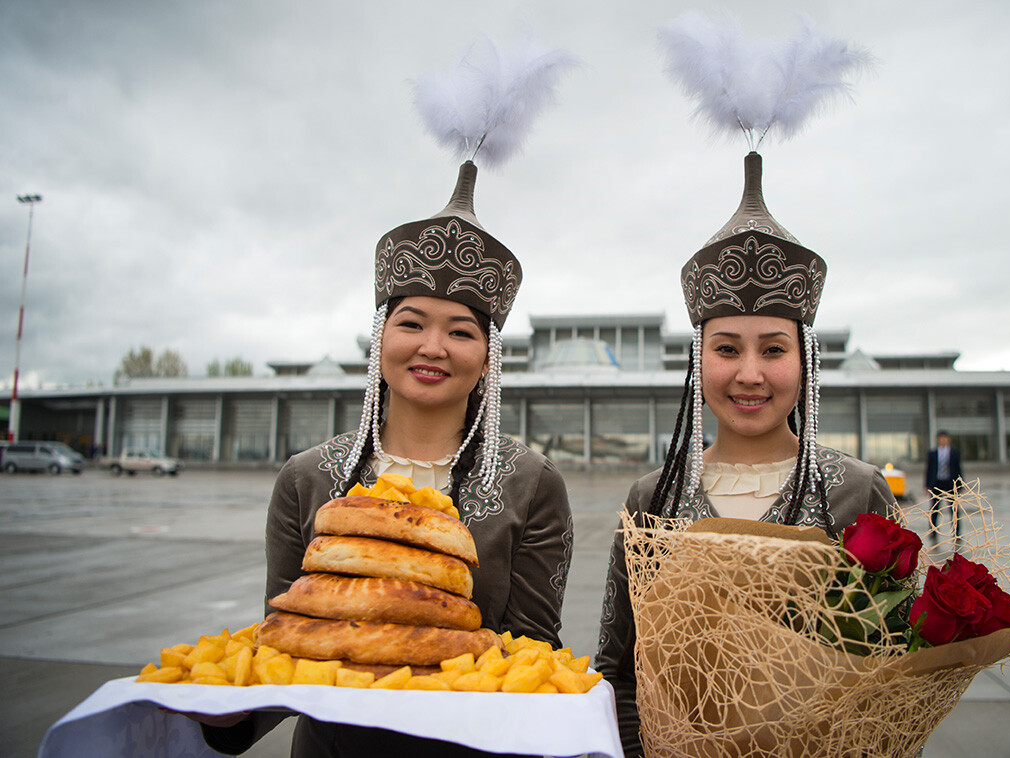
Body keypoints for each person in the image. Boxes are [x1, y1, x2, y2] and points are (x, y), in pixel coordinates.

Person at [199, 159, 574, 758]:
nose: (432, 346)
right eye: (412, 323)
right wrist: (228, 720)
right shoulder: (308, 476)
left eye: (460, 331)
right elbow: (286, 641)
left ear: (487, 357)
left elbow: (533, 653)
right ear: (381, 339)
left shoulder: (530, 483)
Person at [594, 151, 898, 758]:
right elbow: (618, 666)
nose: (750, 374)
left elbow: (895, 670)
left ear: (804, 360)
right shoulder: (652, 496)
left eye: (774, 349)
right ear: (698, 359)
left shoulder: (856, 491)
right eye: (727, 348)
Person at [924, 430, 964, 541]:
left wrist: (960, 485)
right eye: (941, 438)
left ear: (948, 439)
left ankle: (956, 532)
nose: (943, 440)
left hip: (951, 483)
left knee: (954, 509)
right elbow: (928, 470)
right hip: (936, 483)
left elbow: (959, 469)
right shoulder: (932, 453)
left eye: (945, 438)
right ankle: (933, 532)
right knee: (934, 509)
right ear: (938, 440)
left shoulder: (954, 453)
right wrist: (927, 485)